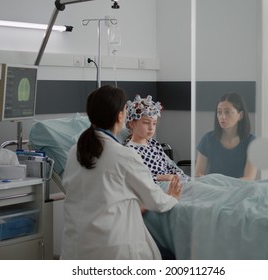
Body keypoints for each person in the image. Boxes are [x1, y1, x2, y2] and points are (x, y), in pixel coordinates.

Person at [60, 85, 182, 260]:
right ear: (120, 116)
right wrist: (173, 198)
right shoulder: (125, 155)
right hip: (112, 250)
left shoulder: (74, 151)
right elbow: (156, 202)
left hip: (75, 249)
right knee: (171, 257)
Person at [124, 95, 189, 184]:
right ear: (131, 124)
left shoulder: (154, 144)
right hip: (158, 186)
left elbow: (169, 165)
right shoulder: (128, 150)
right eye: (146, 123)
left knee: (212, 179)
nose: (151, 128)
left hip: (174, 181)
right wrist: (162, 177)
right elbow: (136, 178)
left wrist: (183, 177)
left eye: (154, 123)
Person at [196, 93, 257, 180]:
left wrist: (222, 185)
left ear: (240, 115)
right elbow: (198, 176)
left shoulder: (252, 142)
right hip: (212, 190)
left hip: (238, 191)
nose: (222, 117)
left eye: (227, 112)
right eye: (219, 112)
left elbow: (249, 179)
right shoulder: (207, 139)